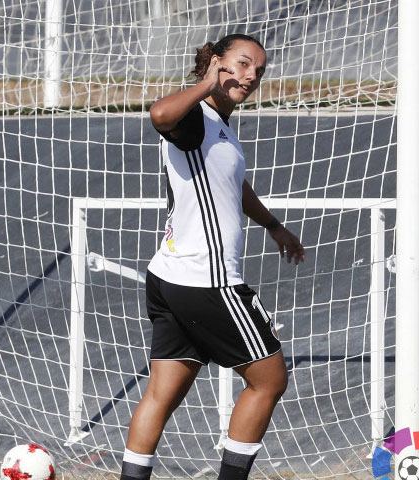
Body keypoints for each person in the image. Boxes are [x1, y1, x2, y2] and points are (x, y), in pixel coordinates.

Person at [119, 34, 306, 480]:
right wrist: (207, 83)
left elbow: (231, 186)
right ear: (217, 63)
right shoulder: (197, 117)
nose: (250, 76)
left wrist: (273, 225)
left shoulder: (218, 124)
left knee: (162, 393)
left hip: (170, 277)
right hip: (209, 280)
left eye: (258, 71)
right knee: (270, 380)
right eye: (241, 64)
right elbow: (159, 114)